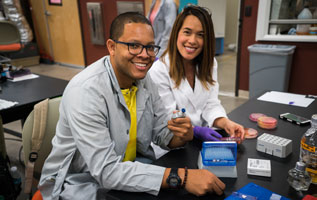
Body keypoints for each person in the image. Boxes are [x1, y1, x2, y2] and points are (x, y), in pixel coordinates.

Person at [38, 12, 225, 199]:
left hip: (133, 170)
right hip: (80, 183)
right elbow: (107, 172)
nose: (144, 55)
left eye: (150, 47)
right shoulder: (86, 91)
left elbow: (162, 135)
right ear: (112, 47)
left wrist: (183, 135)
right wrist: (180, 177)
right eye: (134, 46)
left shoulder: (144, 80)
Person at [149, 5, 245, 148]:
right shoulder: (159, 70)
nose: (193, 40)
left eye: (200, 35)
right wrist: (196, 131)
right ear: (176, 33)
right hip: (173, 146)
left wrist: (225, 122)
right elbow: (168, 119)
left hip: (202, 142)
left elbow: (211, 103)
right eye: (187, 32)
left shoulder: (210, 63)